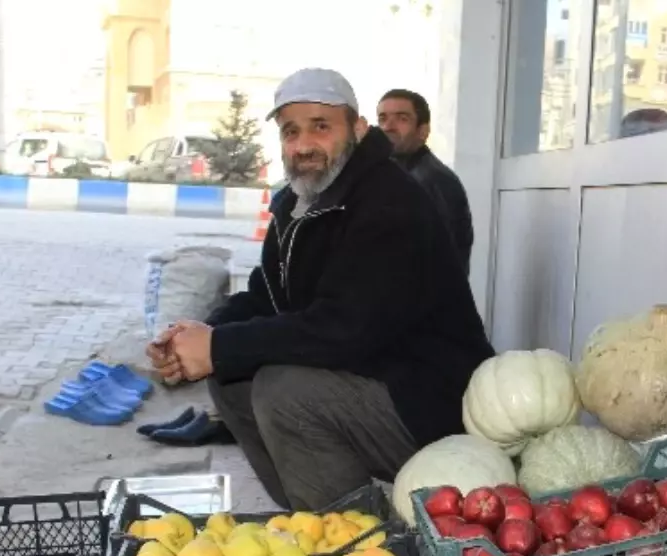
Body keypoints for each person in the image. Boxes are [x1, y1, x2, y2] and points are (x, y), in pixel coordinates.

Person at [147, 68, 494, 511]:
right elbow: (265, 297)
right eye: (291, 131)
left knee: (284, 392)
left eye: (321, 126)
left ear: (358, 129)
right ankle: (310, 519)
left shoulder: (391, 203)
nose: (304, 144)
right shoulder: (299, 203)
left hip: (434, 405)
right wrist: (198, 337)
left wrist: (219, 345)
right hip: (374, 383)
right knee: (232, 377)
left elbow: (346, 329)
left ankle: (357, 546)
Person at [376, 89, 474, 276]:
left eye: (402, 118)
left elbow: (433, 263)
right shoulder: (398, 174)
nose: (388, 126)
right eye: (382, 118)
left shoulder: (431, 181)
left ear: (423, 131)